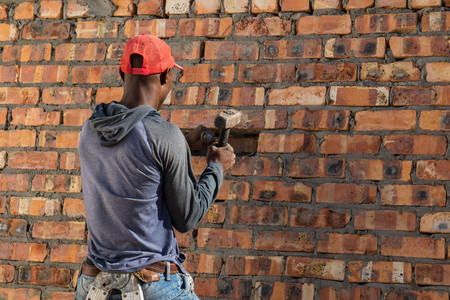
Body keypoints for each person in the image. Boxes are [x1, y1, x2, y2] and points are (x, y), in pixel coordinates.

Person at [75, 34, 236, 300]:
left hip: (92, 285)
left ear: (121, 73)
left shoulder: (91, 129)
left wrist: (182, 145)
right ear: (165, 77)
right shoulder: (164, 135)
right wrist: (217, 167)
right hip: (151, 287)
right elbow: (188, 217)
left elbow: (134, 160)